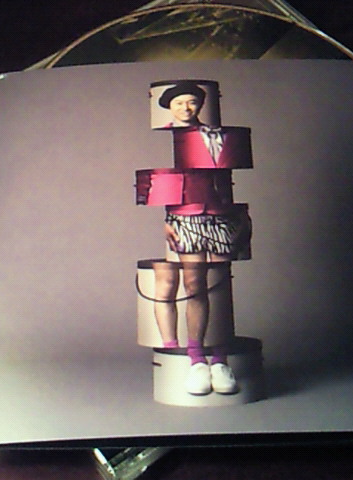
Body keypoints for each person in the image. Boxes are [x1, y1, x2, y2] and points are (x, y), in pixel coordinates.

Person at [153, 81, 251, 396]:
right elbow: (160, 183)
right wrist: (167, 218)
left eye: (192, 102)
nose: (186, 108)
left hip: (220, 214)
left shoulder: (217, 135)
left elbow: (228, 176)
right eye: (178, 102)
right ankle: (196, 359)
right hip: (185, 215)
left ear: (200, 105)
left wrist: (241, 215)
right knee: (193, 284)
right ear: (169, 107)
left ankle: (219, 359)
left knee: (219, 284)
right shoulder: (164, 138)